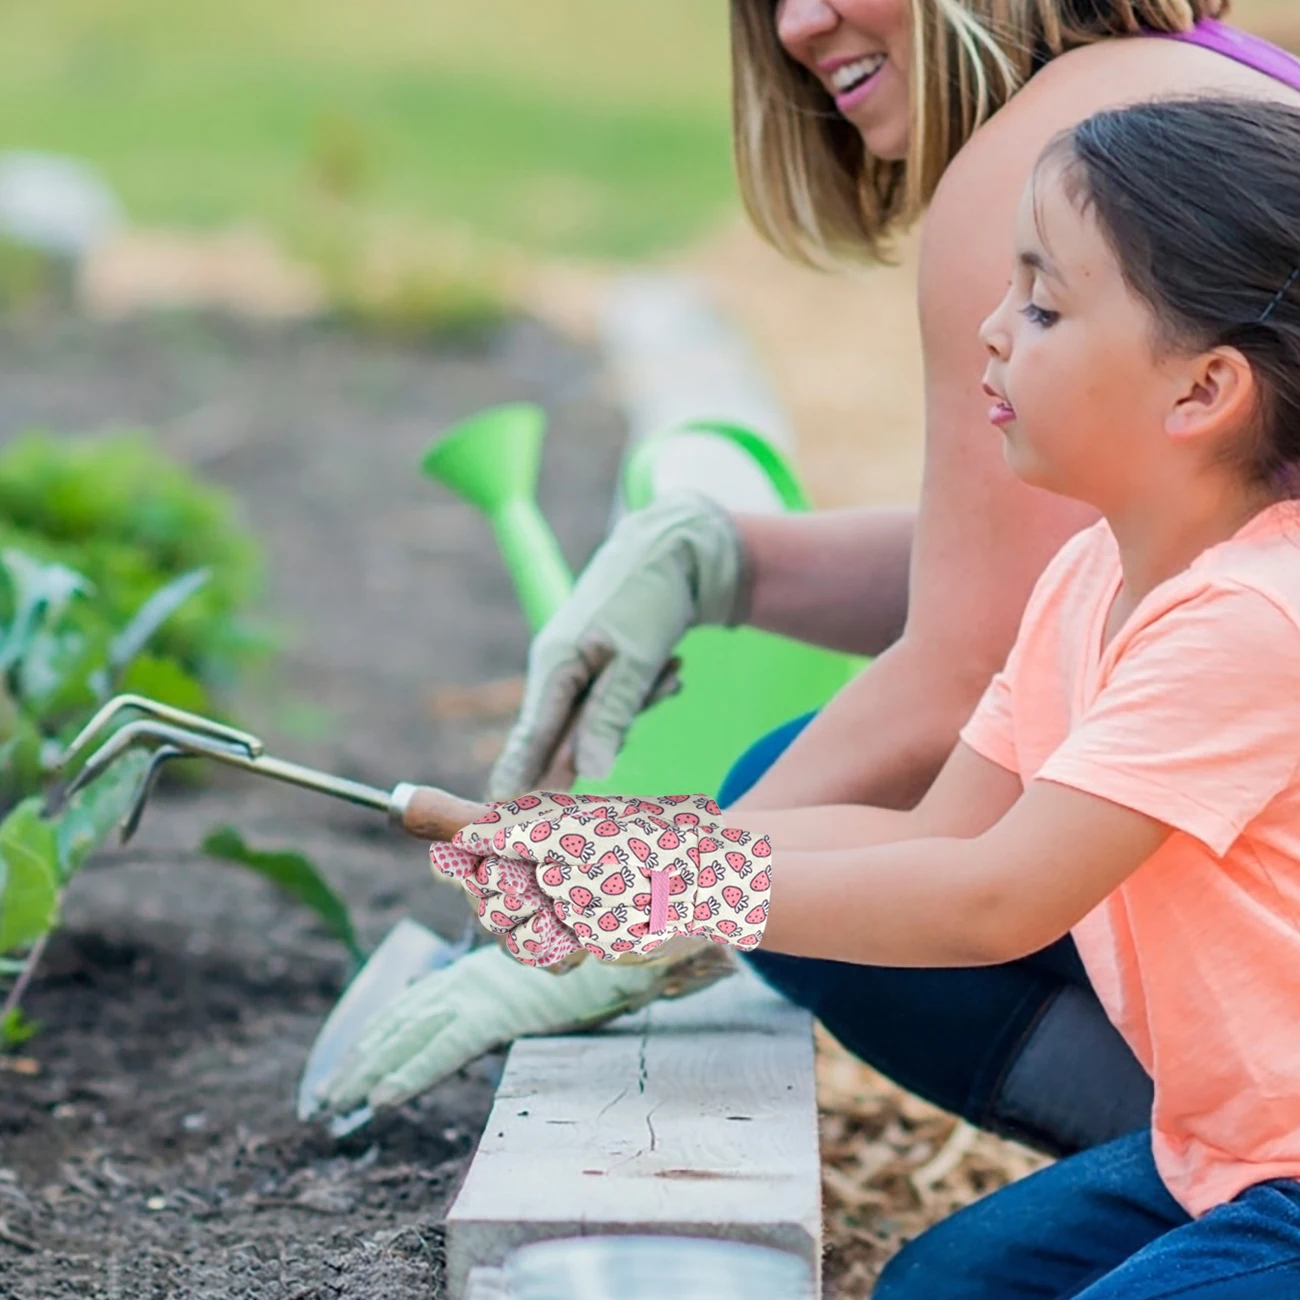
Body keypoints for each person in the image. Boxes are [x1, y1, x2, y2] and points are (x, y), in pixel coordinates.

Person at [321, 2, 1300, 1158]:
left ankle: (1206, 1164)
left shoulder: (1055, 161)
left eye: (1036, 306)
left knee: (797, 816)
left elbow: (970, 671)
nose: (798, 21)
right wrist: (731, 561)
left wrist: (651, 909)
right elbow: (1055, 584)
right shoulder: (1202, 101)